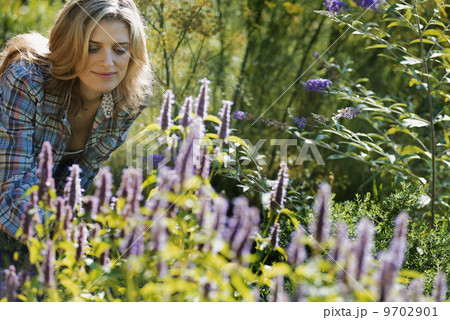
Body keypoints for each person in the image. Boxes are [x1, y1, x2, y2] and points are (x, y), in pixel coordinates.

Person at [0, 0, 152, 262]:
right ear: (71, 47)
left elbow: (78, 181)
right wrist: (79, 241)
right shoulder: (27, 80)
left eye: (120, 50)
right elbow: (9, 195)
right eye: (93, 48)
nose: (108, 63)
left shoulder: (129, 101)